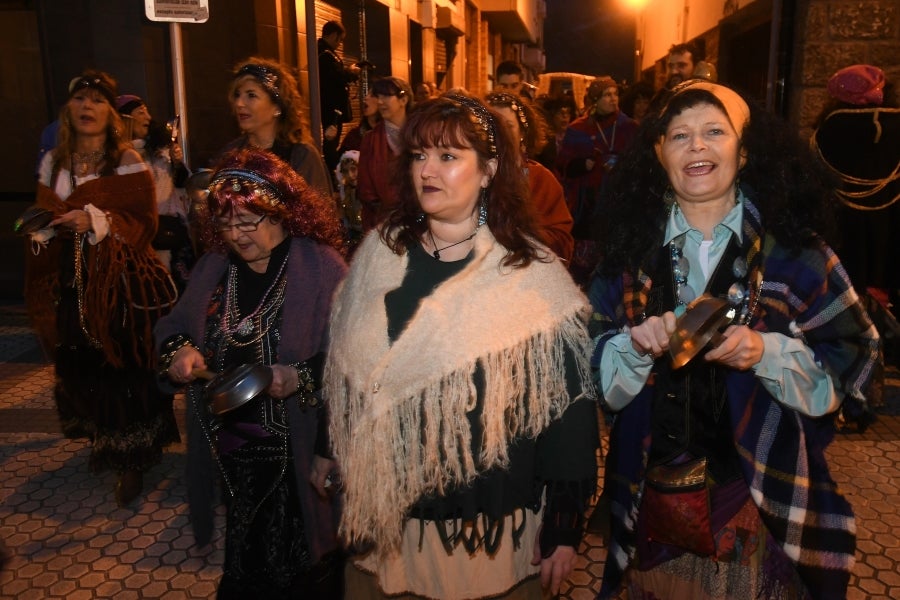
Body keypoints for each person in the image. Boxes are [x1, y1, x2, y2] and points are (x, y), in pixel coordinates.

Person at [588, 80, 881, 599]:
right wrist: (630, 348)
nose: (696, 145)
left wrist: (765, 351)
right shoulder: (627, 255)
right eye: (679, 135)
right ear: (659, 154)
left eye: (714, 131)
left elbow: (855, 361)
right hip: (650, 505)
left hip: (762, 504)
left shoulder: (797, 253)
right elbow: (594, 376)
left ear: (744, 153)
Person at [325, 94, 599, 600]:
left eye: (448, 157)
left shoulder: (530, 274)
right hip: (384, 523)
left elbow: (569, 408)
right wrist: (331, 450)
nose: (428, 169)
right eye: (419, 155)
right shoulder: (379, 252)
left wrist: (563, 524)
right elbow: (346, 368)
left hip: (480, 535)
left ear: (489, 170)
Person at [155, 147, 348, 598]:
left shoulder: (320, 269)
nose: (237, 236)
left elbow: (352, 362)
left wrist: (298, 376)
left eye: (249, 222)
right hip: (234, 453)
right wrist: (181, 351)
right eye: (225, 224)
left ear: (282, 213)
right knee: (247, 560)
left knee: (303, 568)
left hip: (297, 452)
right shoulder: (213, 269)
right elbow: (172, 326)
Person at [25, 69, 180, 506]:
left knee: (121, 364)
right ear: (68, 110)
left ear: (111, 113)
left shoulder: (126, 162)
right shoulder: (52, 162)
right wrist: (43, 229)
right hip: (72, 281)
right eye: (80, 100)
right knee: (83, 358)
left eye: (97, 101)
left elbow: (144, 223)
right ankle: (104, 440)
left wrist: (94, 221)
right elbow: (42, 211)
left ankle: (131, 458)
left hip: (120, 284)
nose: (87, 107)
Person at [557, 76, 638, 284]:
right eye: (606, 95)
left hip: (618, 203)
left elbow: (639, 162)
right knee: (584, 265)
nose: (613, 99)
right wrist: (583, 165)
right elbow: (564, 167)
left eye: (615, 94)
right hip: (587, 205)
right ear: (594, 100)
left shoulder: (629, 127)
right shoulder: (578, 129)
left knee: (615, 262)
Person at [220, 57, 333, 197]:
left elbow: (320, 213)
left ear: (277, 107)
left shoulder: (301, 156)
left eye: (251, 95)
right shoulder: (231, 154)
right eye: (237, 95)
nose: (239, 103)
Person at [117, 94, 195, 292]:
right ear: (125, 119)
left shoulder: (160, 149)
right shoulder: (118, 156)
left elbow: (182, 183)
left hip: (169, 227)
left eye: (147, 112)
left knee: (179, 290)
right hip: (138, 234)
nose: (148, 117)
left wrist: (177, 163)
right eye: (140, 113)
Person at [485, 91, 574, 262]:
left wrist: (517, 235)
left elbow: (563, 241)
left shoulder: (541, 179)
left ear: (522, 134)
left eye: (508, 126)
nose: (499, 133)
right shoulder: (469, 175)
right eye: (492, 125)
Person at [357, 76, 414, 231]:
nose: (380, 102)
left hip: (420, 220)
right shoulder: (371, 140)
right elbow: (365, 189)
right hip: (384, 224)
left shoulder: (419, 136)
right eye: (378, 96)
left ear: (403, 100)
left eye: (386, 96)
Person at [318, 20, 360, 173]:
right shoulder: (325, 54)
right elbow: (336, 77)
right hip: (331, 109)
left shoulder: (325, 53)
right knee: (330, 143)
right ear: (334, 35)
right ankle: (332, 174)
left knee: (331, 143)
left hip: (331, 107)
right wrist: (350, 72)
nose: (340, 44)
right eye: (340, 39)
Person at [338, 88, 381, 155]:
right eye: (367, 94)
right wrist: (330, 141)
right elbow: (338, 162)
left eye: (372, 95)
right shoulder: (354, 136)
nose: (366, 98)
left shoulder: (390, 135)